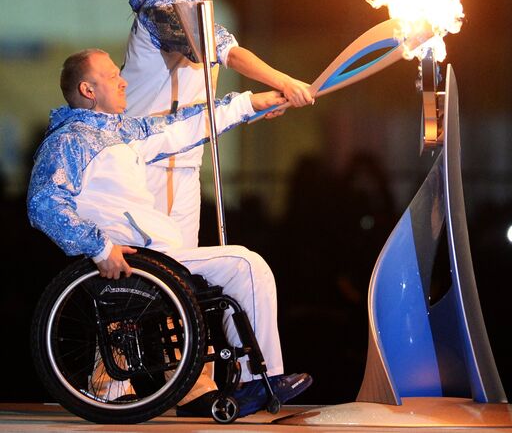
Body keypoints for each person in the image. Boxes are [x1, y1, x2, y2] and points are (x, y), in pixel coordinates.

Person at [27, 49, 312, 418]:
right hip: (137, 260)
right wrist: (99, 248)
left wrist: (251, 103)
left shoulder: (121, 133)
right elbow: (43, 204)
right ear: (88, 89)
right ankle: (256, 381)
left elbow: (184, 125)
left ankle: (256, 381)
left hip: (158, 256)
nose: (123, 80)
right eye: (113, 76)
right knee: (245, 263)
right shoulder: (69, 142)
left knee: (245, 266)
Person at [121, 0, 314, 247]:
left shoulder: (190, 2)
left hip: (182, 154)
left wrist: (262, 102)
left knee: (178, 270)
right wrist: (283, 82)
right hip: (151, 150)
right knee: (155, 269)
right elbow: (227, 52)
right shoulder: (162, 6)